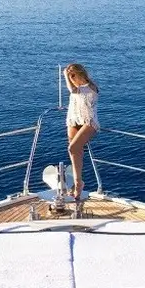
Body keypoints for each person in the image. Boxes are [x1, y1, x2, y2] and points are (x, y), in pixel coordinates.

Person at [64, 63, 99, 200]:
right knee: (75, 153)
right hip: (73, 121)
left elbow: (73, 90)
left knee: (72, 148)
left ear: (80, 74)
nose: (71, 78)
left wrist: (65, 76)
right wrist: (68, 76)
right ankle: (78, 182)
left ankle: (78, 184)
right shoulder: (77, 88)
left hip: (89, 122)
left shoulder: (91, 87)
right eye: (70, 76)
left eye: (73, 75)